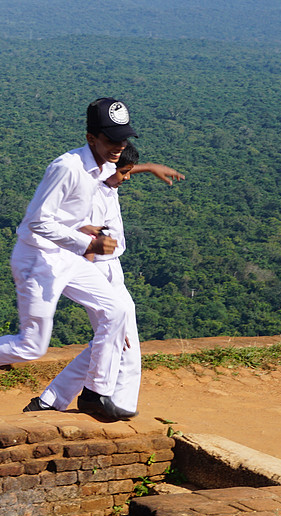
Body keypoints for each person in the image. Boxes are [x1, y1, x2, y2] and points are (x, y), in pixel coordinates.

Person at [0, 97, 137, 419]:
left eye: (123, 139)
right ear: (90, 138)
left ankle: (95, 394)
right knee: (32, 346)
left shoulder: (105, 167)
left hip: (68, 257)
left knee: (117, 309)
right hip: (38, 261)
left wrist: (147, 170)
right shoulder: (66, 167)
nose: (118, 146)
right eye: (111, 139)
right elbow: (37, 221)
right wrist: (89, 242)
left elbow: (111, 180)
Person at [24, 144, 184, 416]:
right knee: (122, 343)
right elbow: (73, 238)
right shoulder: (88, 195)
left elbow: (114, 175)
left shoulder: (108, 181)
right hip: (96, 271)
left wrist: (147, 167)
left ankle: (50, 401)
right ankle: (114, 403)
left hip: (113, 270)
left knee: (110, 340)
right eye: (124, 172)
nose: (128, 177)